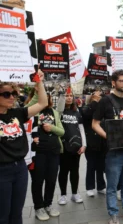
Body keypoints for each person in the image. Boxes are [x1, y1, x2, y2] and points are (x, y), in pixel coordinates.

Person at [92, 70, 123, 224]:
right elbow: (95, 124)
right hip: (113, 152)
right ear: (113, 82)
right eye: (122, 81)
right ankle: (113, 214)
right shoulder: (105, 101)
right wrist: (109, 137)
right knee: (112, 186)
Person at [0, 71, 48, 224]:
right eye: (6, 94)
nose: (12, 97)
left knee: (17, 213)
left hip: (20, 168)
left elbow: (42, 103)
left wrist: (38, 82)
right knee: (3, 214)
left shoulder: (18, 113)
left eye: (14, 93)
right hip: (2, 171)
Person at [26, 92, 64, 220]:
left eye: (46, 97)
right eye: (40, 96)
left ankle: (48, 204)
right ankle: (38, 207)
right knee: (38, 181)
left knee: (51, 180)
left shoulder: (54, 112)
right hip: (37, 153)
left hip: (53, 151)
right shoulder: (30, 111)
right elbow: (25, 129)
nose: (44, 99)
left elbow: (62, 131)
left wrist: (52, 128)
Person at [58, 90, 87, 205]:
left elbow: (81, 129)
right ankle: (63, 195)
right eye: (66, 96)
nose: (69, 98)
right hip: (63, 147)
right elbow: (59, 109)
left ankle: (75, 193)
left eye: (70, 96)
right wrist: (62, 94)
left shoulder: (77, 111)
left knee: (75, 171)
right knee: (63, 171)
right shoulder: (59, 111)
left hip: (76, 146)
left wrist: (84, 145)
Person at [81, 91, 106, 197]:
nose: (99, 99)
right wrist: (94, 101)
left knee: (101, 165)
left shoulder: (104, 109)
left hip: (102, 142)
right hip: (90, 142)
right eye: (97, 97)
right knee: (91, 165)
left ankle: (101, 186)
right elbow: (86, 115)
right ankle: (90, 187)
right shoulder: (87, 108)